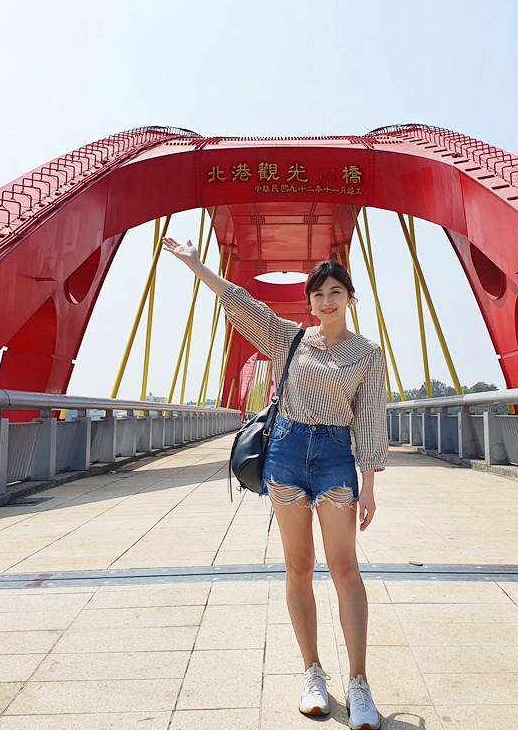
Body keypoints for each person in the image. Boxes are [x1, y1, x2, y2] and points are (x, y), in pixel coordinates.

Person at [163, 236, 388, 730]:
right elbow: (240, 302)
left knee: (345, 568)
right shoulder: (290, 339)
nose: (326, 301)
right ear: (309, 301)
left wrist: (369, 484)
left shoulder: (368, 355)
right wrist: (196, 264)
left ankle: (359, 683)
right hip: (285, 454)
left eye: (336, 292)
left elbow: (370, 419)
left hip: (333, 459)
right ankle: (312, 672)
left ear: (350, 298)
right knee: (299, 565)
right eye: (318, 294)